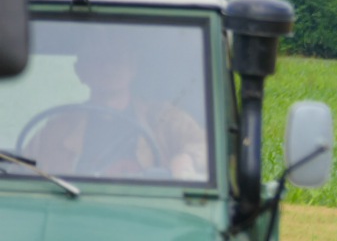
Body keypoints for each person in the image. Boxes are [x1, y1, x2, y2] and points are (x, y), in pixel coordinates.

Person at [23, 32, 207, 181]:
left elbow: (207, 149)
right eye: (97, 59)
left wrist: (186, 159)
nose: (108, 67)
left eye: (117, 58)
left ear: (133, 67)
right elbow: (22, 170)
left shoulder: (164, 120)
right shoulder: (58, 129)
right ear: (81, 71)